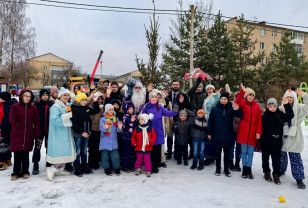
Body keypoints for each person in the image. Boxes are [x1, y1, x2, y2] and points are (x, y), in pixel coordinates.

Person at [207, 92, 243, 177]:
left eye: (225, 99)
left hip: (228, 135)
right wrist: (209, 132)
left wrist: (237, 109)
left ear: (228, 100)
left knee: (227, 154)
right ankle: (218, 169)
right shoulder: (215, 109)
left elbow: (240, 115)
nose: (223, 100)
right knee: (218, 154)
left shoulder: (231, 109)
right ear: (220, 99)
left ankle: (226, 170)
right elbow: (210, 121)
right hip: (217, 134)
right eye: (222, 99)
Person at [260, 97, 294, 185]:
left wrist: (287, 105)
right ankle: (266, 172)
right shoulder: (264, 116)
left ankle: (276, 174)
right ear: (267, 106)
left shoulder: (280, 115)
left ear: (276, 106)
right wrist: (260, 139)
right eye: (270, 106)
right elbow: (260, 128)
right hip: (265, 142)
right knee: (265, 159)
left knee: (276, 160)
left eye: (274, 106)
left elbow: (291, 115)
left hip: (276, 142)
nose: (272, 108)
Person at [143, 90, 178, 173]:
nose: (154, 98)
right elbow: (142, 117)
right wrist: (147, 119)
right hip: (149, 131)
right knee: (150, 150)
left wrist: (175, 111)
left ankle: (156, 165)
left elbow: (168, 113)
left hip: (158, 132)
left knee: (157, 149)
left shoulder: (160, 107)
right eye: (152, 97)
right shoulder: (146, 107)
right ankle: (149, 166)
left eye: (155, 97)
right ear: (149, 98)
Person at [279, 89, 308, 189]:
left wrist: (305, 96)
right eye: (287, 96)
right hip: (283, 135)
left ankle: (299, 178)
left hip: (295, 136)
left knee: (295, 158)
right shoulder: (280, 108)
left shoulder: (299, 108)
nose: (289, 99)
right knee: (281, 157)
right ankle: (280, 171)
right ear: (284, 98)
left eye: (291, 97)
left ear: (294, 98)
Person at [46, 87, 77, 181]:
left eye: (68, 95)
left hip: (65, 133)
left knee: (64, 150)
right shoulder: (56, 107)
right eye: (64, 95)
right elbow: (55, 120)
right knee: (59, 150)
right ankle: (51, 169)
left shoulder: (67, 105)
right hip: (58, 134)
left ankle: (59, 169)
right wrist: (68, 115)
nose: (67, 97)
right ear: (59, 96)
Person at [10, 89, 40, 180]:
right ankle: (16, 172)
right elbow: (11, 120)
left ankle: (25, 171)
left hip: (28, 133)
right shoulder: (15, 107)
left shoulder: (33, 108)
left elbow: (36, 121)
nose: (27, 98)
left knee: (25, 154)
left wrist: (37, 131)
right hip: (17, 132)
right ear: (21, 97)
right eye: (26, 96)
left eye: (29, 96)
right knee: (17, 154)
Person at [235, 83, 262, 179]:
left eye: (252, 95)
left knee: (250, 152)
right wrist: (242, 91)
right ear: (246, 96)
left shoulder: (257, 106)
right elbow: (237, 102)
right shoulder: (242, 103)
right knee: (243, 152)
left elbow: (259, 120)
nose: (251, 97)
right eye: (249, 95)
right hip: (243, 132)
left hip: (253, 133)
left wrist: (258, 132)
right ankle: (244, 170)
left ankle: (249, 169)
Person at [71, 91, 100, 176]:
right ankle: (77, 167)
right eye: (82, 100)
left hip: (87, 133)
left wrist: (95, 101)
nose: (84, 102)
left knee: (84, 151)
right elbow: (74, 123)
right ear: (78, 100)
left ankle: (84, 165)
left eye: (85, 100)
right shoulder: (75, 109)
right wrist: (81, 132)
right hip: (78, 134)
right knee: (78, 151)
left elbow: (96, 111)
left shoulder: (86, 108)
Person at [32, 89, 53, 175]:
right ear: (40, 96)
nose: (45, 97)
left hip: (49, 130)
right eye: (43, 95)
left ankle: (49, 163)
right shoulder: (36, 105)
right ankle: (35, 164)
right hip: (39, 130)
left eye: (46, 95)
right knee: (37, 148)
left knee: (49, 148)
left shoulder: (52, 104)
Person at [167, 80, 190, 160]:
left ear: (179, 86)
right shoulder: (167, 94)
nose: (175, 86)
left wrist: (182, 102)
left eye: (177, 84)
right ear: (171, 85)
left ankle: (177, 153)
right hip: (169, 118)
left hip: (178, 119)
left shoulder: (182, 95)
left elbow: (187, 106)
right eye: (174, 84)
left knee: (178, 136)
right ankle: (169, 152)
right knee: (169, 136)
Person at [99, 104, 123, 176]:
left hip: (113, 141)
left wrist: (119, 128)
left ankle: (116, 168)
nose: (111, 111)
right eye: (109, 110)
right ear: (106, 111)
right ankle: (107, 168)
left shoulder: (116, 119)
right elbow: (101, 128)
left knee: (115, 156)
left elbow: (118, 131)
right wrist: (105, 127)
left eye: (112, 109)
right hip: (105, 141)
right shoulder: (103, 119)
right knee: (105, 156)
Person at [202, 84, 222, 165]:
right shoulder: (206, 98)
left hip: (212, 119)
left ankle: (212, 156)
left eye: (211, 89)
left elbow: (219, 102)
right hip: (205, 118)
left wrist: (217, 95)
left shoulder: (215, 97)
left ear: (213, 90)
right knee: (207, 139)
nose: (209, 90)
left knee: (211, 139)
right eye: (208, 89)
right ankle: (207, 156)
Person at [0, 92, 18, 170]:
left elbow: (7, 119)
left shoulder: (7, 106)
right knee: (7, 145)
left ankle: (2, 161)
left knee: (2, 146)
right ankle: (8, 159)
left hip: (5, 129)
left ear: (4, 99)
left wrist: (1, 127)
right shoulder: (8, 105)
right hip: (8, 129)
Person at [88, 95, 104, 170]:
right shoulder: (91, 106)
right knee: (92, 147)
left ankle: (96, 162)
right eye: (98, 99)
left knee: (98, 147)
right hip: (93, 129)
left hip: (101, 130)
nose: (100, 101)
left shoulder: (104, 107)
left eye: (101, 99)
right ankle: (91, 162)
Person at [122, 102, 137, 172]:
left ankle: (131, 165)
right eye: (130, 109)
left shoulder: (134, 116)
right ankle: (125, 166)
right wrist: (130, 120)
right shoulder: (125, 116)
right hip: (126, 138)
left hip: (133, 138)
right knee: (126, 152)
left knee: (132, 152)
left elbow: (136, 125)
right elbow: (125, 121)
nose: (131, 110)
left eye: (132, 109)